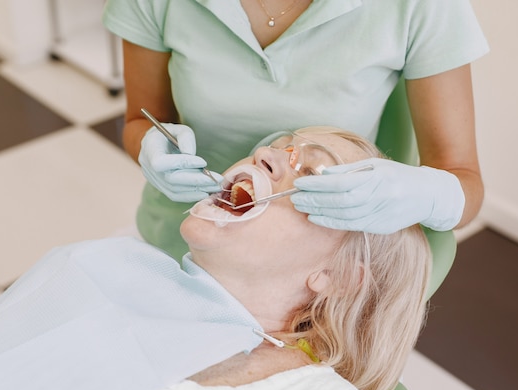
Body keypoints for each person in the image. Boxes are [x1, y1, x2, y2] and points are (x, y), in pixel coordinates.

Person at [0, 127, 431, 390]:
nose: (268, 154)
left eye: (316, 172)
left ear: (339, 277)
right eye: (280, 145)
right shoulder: (104, 270)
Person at [101, 0, 489, 260]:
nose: (262, 152)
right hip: (174, 242)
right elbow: (142, 121)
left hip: (318, 266)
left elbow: (463, 181)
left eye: (302, 162)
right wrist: (150, 147)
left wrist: (425, 194)